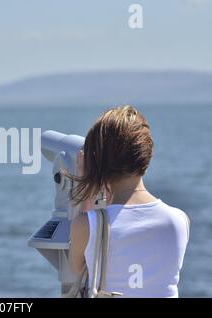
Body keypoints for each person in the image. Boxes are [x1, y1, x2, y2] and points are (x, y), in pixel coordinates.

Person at [67, 105, 190, 297]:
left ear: (97, 164)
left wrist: (89, 187)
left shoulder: (86, 225)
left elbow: (78, 271)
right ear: (146, 157)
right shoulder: (179, 221)